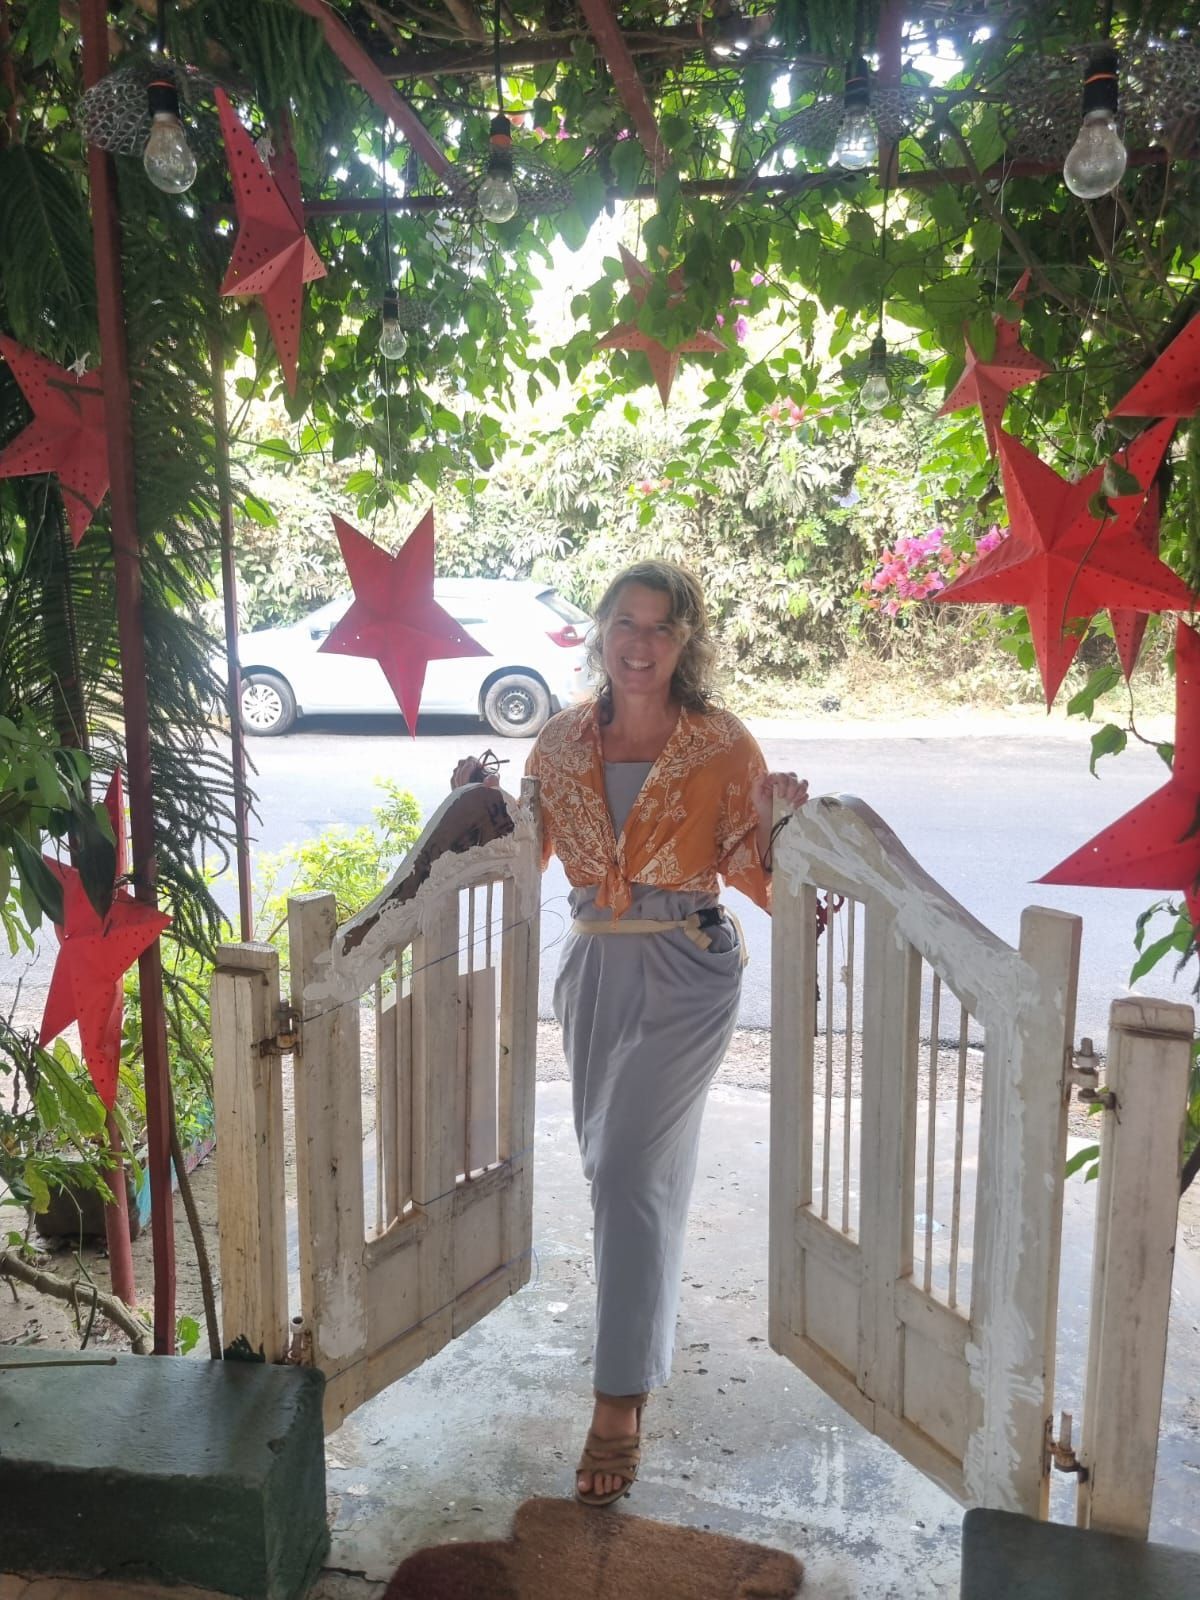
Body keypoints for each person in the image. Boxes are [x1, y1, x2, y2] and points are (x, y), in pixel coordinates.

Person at [451, 559, 808, 1507]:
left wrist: (792, 841)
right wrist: (473, 811)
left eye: (660, 628)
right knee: (638, 1172)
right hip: (592, 972)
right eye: (625, 624)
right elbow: (518, 862)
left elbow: (761, 878)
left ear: (686, 642)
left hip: (689, 969)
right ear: (600, 631)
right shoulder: (561, 743)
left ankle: (618, 1400)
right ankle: (641, 1340)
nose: (639, 645)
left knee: (621, 1173)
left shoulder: (722, 745)